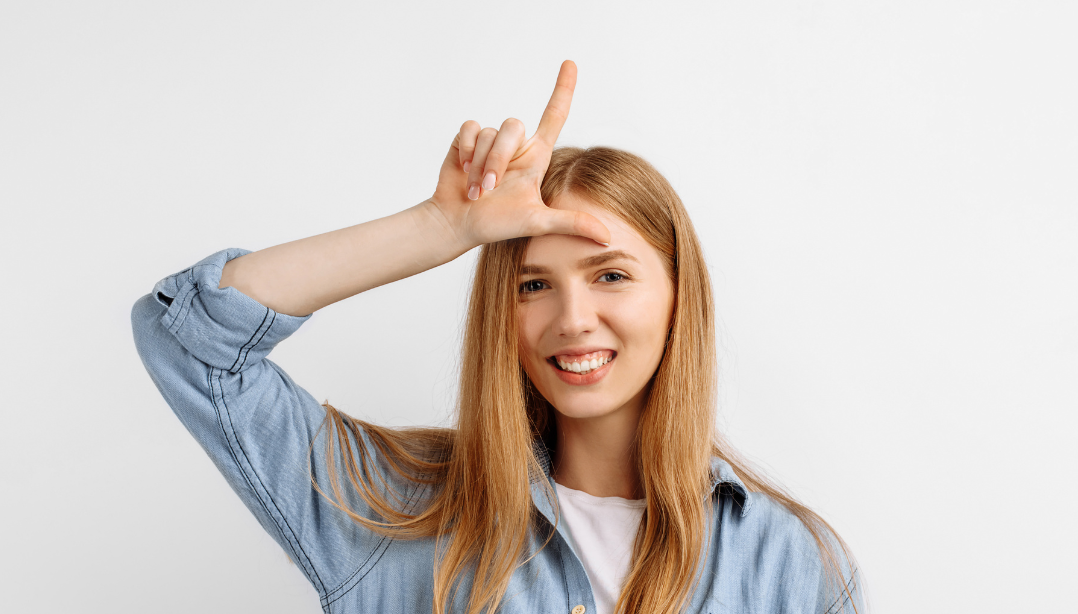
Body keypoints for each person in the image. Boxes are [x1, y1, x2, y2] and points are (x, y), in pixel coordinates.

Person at [131, 60, 864, 614]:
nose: (572, 318)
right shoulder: (395, 513)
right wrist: (439, 227)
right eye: (533, 285)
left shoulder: (789, 564)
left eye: (610, 276)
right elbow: (185, 338)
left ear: (680, 298)